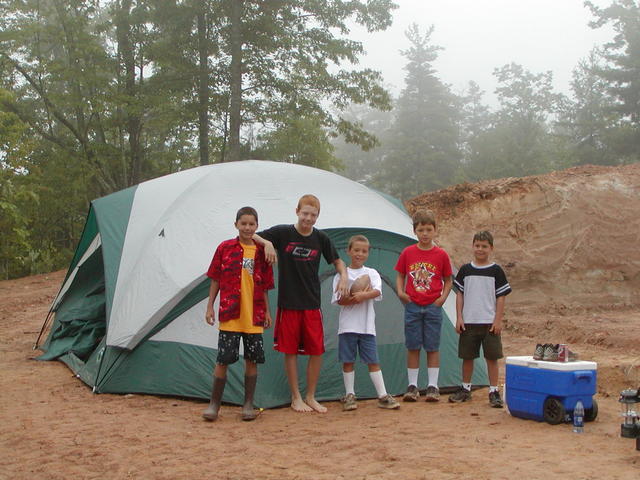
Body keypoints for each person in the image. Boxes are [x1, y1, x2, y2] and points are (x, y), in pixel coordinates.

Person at [255, 194, 349, 413]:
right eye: (305, 213)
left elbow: (337, 260)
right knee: (291, 351)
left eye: (313, 215)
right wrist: (267, 242)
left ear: (318, 216)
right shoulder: (283, 233)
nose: (308, 218)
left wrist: (343, 275)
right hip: (288, 303)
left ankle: (311, 396)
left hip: (312, 303)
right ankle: (295, 397)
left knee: (316, 351)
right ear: (297, 211)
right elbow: (250, 235)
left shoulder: (321, 238)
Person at [202, 206, 274, 422]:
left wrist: (268, 311)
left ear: (257, 227)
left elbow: (265, 286)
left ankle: (248, 405)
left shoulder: (262, 253)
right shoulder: (225, 248)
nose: (247, 227)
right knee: (223, 360)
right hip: (230, 314)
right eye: (243, 223)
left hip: (254, 315)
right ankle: (214, 404)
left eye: (252, 224)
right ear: (236, 225)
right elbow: (215, 278)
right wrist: (209, 306)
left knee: (252, 359)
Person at [332, 235, 400, 411]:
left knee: (373, 361)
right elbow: (339, 300)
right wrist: (355, 298)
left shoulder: (371, 273)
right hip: (347, 326)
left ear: (368, 253)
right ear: (349, 251)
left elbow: (377, 291)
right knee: (348, 361)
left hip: (367, 327)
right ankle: (350, 395)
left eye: (363, 251)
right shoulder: (342, 275)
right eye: (356, 250)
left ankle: (383, 396)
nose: (359, 254)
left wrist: (363, 295)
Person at [448, 230, 511, 408]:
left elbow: (501, 297)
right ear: (472, 246)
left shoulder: (496, 271)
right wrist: (459, 317)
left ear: (491, 248)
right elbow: (459, 294)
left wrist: (497, 320)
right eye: (477, 245)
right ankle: (466, 389)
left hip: (489, 323)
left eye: (484, 246)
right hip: (469, 322)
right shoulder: (465, 270)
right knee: (467, 357)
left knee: (492, 357)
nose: (480, 249)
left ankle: (493, 391)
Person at [395, 210, 453, 402]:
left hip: (432, 305)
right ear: (415, 231)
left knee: (432, 346)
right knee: (413, 345)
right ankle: (412, 386)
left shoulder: (441, 255)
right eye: (421, 230)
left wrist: (442, 298)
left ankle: (432, 386)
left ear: (435, 230)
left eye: (429, 229)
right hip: (412, 305)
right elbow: (400, 274)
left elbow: (448, 279)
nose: (425, 233)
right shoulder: (408, 252)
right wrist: (401, 292)